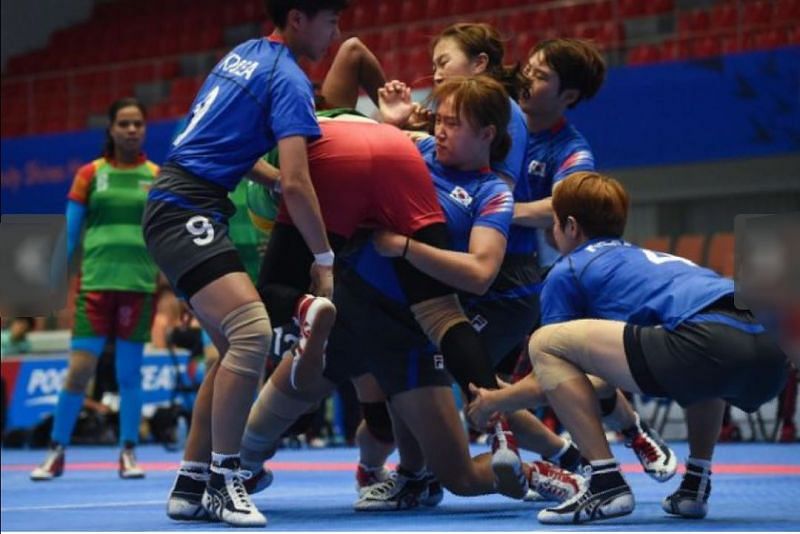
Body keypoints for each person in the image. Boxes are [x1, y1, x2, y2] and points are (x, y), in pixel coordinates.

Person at [149, 1, 348, 527]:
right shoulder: (289, 79)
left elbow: (218, 145)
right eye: (331, 19)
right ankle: (225, 479)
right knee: (252, 331)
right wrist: (324, 257)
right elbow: (301, 181)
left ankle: (193, 482)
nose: (337, 31)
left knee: (230, 352)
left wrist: (270, 180)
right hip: (186, 209)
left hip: (182, 203)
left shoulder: (245, 55)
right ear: (300, 17)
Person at [526, 171, 790, 524]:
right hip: (773, 351)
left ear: (570, 227)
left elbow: (559, 377)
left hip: (709, 344)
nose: (552, 234)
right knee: (702, 362)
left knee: (544, 344)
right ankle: (694, 485)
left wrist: (495, 402)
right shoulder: (651, 259)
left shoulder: (569, 268)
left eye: (553, 225)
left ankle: (605, 481)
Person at [30, 97, 159, 482]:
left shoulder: (157, 175)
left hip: (138, 287)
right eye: (124, 123)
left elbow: (164, 234)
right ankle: (56, 450)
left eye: (138, 123)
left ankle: (128, 451)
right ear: (111, 129)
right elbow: (70, 235)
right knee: (78, 371)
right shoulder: (89, 173)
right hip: (96, 287)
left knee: (130, 375)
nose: (132, 130)